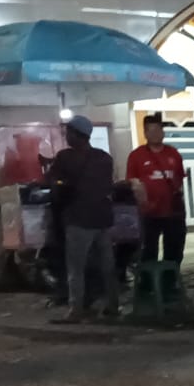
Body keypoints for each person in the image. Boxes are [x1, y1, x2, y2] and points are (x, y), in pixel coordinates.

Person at [46, 115, 118, 322]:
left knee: (75, 268)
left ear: (78, 135)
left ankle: (75, 309)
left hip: (79, 219)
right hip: (103, 219)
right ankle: (113, 305)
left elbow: (53, 181)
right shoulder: (104, 158)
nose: (67, 136)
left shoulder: (65, 157)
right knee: (107, 266)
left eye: (69, 133)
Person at [127, 112, 187, 263]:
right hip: (148, 214)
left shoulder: (173, 153)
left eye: (158, 130)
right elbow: (133, 181)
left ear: (163, 132)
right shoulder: (136, 156)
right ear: (145, 133)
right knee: (148, 251)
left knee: (174, 250)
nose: (155, 134)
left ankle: (170, 280)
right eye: (151, 130)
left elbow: (179, 179)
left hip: (172, 213)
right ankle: (149, 283)